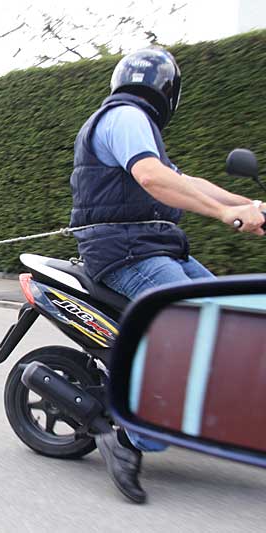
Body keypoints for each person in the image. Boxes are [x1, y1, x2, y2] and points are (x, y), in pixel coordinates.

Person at [68, 47, 265, 503]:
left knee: (230, 315)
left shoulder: (137, 126)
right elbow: (153, 178)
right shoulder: (124, 118)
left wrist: (248, 205)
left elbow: (185, 182)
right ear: (169, 93)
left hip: (153, 249)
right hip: (125, 254)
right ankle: (130, 437)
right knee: (190, 329)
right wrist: (225, 215)